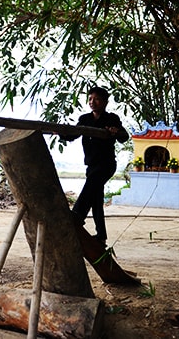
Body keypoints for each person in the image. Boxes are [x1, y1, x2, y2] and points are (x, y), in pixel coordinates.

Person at [62, 86, 129, 246]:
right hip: (91, 165)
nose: (92, 102)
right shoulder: (85, 119)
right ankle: (101, 236)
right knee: (97, 199)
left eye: (97, 99)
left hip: (106, 165)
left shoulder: (112, 118)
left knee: (90, 188)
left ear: (105, 102)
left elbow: (124, 136)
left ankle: (77, 215)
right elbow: (74, 134)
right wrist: (61, 133)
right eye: (90, 99)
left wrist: (115, 131)